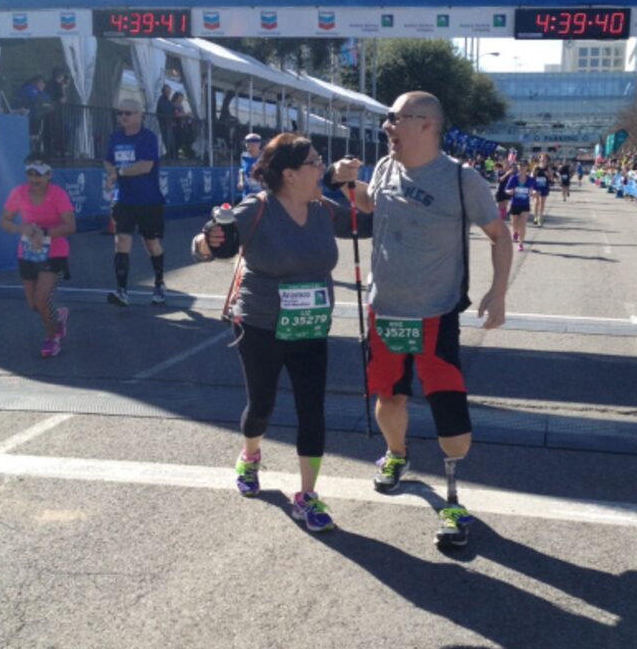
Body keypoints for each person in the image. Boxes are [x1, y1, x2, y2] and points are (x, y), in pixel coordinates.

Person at [327, 90, 512, 547]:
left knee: (450, 415)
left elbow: (499, 235)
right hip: (384, 310)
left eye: (395, 118)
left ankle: (452, 498)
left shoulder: (460, 178)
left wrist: (498, 292)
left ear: (426, 123)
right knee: (389, 397)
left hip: (435, 313)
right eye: (388, 118)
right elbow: (375, 206)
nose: (387, 126)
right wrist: (349, 184)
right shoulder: (387, 167)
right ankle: (396, 454)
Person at [192, 133, 370, 532]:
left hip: (310, 326)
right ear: (289, 174)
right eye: (313, 162)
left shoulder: (324, 209)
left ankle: (307, 496)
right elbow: (208, 243)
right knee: (262, 406)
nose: (320, 167)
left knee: (312, 410)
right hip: (260, 325)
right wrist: (208, 242)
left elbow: (369, 223)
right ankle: (250, 455)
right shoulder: (256, 209)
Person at [0, 158, 75, 358]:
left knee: (42, 299)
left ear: (49, 175)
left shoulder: (57, 195)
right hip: (27, 254)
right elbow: (4, 220)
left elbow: (70, 226)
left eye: (39, 175)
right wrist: (19, 228)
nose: (34, 179)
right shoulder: (18, 193)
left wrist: (45, 232)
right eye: (30, 174)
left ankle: (52, 339)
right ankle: (58, 317)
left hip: (55, 253)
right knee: (33, 304)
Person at [103, 99, 166, 306]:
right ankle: (122, 290)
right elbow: (108, 160)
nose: (123, 117)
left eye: (128, 113)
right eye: (120, 113)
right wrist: (111, 173)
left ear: (140, 115)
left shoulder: (147, 137)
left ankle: (159, 282)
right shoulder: (115, 137)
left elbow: (145, 166)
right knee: (121, 240)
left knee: (151, 242)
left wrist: (118, 172)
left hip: (149, 200)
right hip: (124, 200)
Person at [505, 160, 533, 252]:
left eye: (523, 165)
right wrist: (510, 192)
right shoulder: (513, 178)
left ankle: (521, 244)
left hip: (525, 205)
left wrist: (532, 193)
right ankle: (515, 232)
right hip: (515, 204)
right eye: (520, 165)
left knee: (523, 225)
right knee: (514, 224)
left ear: (527, 168)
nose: (521, 167)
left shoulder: (530, 179)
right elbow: (506, 189)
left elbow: (534, 190)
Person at [44, 67, 70, 161]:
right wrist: (63, 89)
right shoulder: (58, 86)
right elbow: (63, 100)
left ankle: (50, 151)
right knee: (60, 130)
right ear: (61, 76)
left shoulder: (48, 84)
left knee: (49, 132)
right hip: (55, 113)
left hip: (47, 112)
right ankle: (59, 151)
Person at [238, 133, 262, 199]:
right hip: (247, 195)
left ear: (259, 145)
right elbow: (241, 170)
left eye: (253, 146)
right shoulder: (244, 156)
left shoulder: (265, 158)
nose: (250, 148)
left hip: (261, 196)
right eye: (248, 146)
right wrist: (241, 181)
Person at [156, 84, 175, 157]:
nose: (169, 93)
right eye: (167, 91)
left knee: (170, 142)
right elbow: (163, 110)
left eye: (169, 91)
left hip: (168, 125)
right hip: (162, 125)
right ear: (163, 91)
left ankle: (169, 156)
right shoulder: (160, 100)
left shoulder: (168, 101)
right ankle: (165, 157)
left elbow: (172, 110)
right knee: (165, 142)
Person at [532, 158, 551, 226]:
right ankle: (535, 216)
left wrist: (547, 175)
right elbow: (532, 176)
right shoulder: (536, 167)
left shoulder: (548, 168)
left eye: (544, 160)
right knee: (536, 202)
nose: (543, 161)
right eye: (542, 160)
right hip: (536, 186)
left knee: (542, 202)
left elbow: (551, 178)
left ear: (546, 161)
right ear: (539, 160)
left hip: (544, 186)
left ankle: (540, 217)